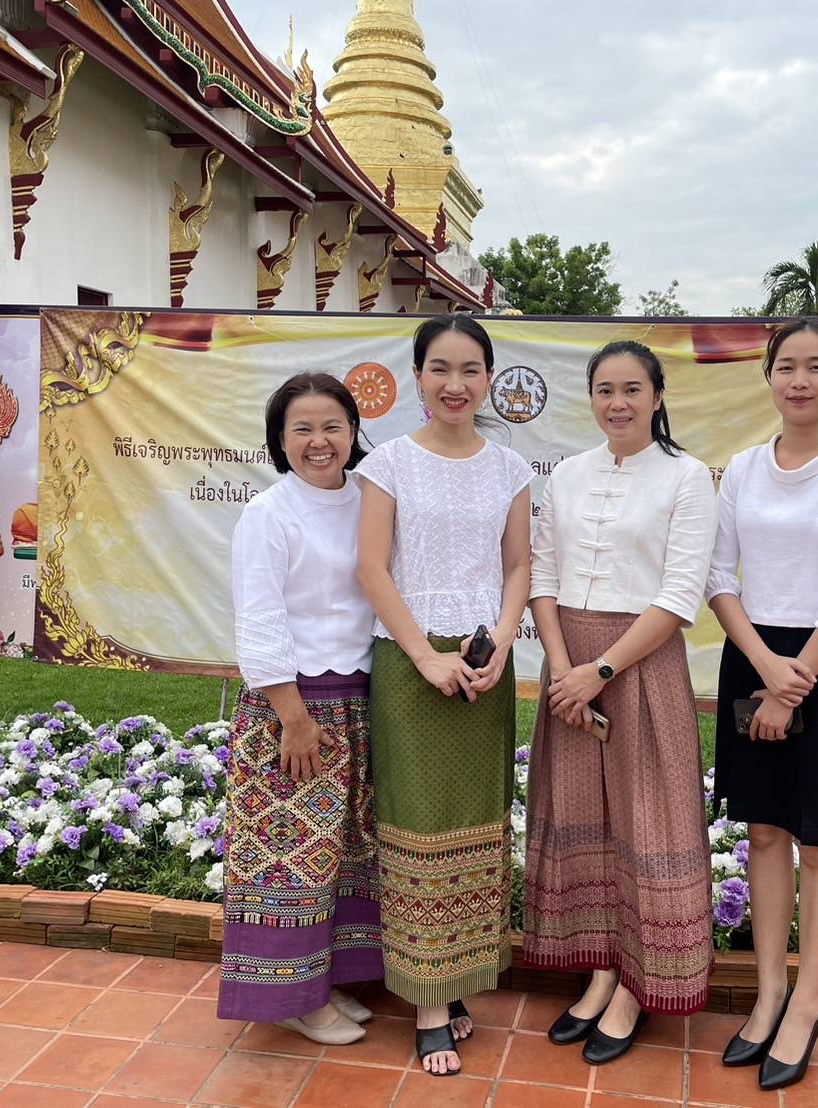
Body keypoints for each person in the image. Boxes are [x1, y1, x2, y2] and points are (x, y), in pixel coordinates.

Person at [706, 320, 818, 1090]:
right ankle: (768, 989)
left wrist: (794, 677)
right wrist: (762, 669)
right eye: (786, 367)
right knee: (764, 833)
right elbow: (717, 575)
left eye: (817, 367)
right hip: (751, 653)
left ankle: (807, 1001)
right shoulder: (744, 470)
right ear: (770, 379)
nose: (800, 380)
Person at [523, 340, 717, 1065]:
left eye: (633, 388)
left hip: (637, 661)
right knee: (580, 813)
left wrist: (598, 669)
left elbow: (678, 591)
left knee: (645, 816)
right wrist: (562, 667)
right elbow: (542, 573)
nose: (618, 402)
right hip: (567, 662)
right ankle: (601, 967)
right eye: (605, 389)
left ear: (658, 396)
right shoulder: (568, 475)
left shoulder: (686, 476)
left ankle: (640, 984)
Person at [355, 314, 532, 1077]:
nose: (454, 384)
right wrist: (424, 655)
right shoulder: (387, 464)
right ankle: (428, 1002)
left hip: (483, 671)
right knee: (418, 825)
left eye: (469, 370)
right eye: (439, 369)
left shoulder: (510, 468)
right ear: (418, 377)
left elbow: (519, 566)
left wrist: (497, 640)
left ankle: (457, 982)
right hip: (411, 665)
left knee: (476, 826)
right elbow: (372, 570)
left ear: (489, 378)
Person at [219, 372, 381, 1045]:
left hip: (359, 698)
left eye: (332, 427)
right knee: (292, 860)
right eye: (302, 429)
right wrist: (293, 716)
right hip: (294, 710)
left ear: (352, 433)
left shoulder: (371, 501)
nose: (319, 442)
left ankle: (326, 981)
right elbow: (259, 621)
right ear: (280, 442)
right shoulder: (269, 513)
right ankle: (292, 998)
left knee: (345, 853)